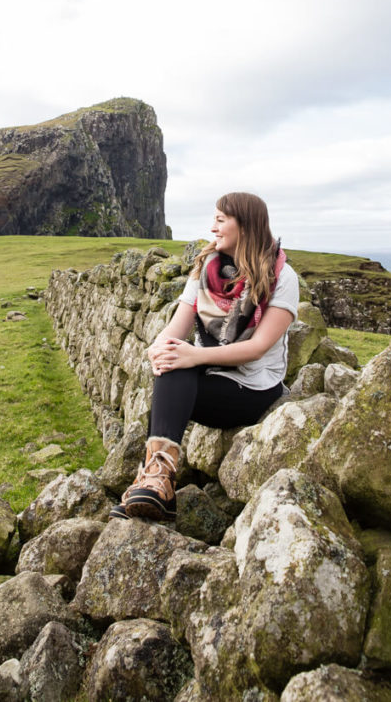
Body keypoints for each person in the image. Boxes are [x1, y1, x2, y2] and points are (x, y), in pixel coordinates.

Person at [111, 191, 300, 521]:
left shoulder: (282, 277)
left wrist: (193, 355)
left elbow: (257, 349)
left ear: (246, 226)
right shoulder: (205, 270)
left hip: (253, 388)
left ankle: (153, 483)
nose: (212, 227)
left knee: (181, 362)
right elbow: (174, 330)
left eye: (221, 219)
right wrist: (159, 349)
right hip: (211, 378)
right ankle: (158, 483)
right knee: (172, 361)